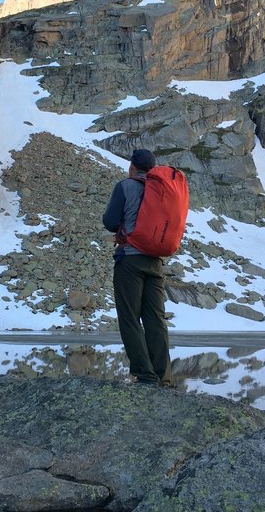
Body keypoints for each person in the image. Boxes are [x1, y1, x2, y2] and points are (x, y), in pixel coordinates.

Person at [102, 149, 172, 387]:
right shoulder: (162, 190)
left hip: (130, 260)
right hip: (155, 262)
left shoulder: (126, 186)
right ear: (153, 168)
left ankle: (145, 375)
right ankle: (163, 376)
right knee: (156, 319)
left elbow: (110, 222)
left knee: (130, 318)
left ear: (132, 166)